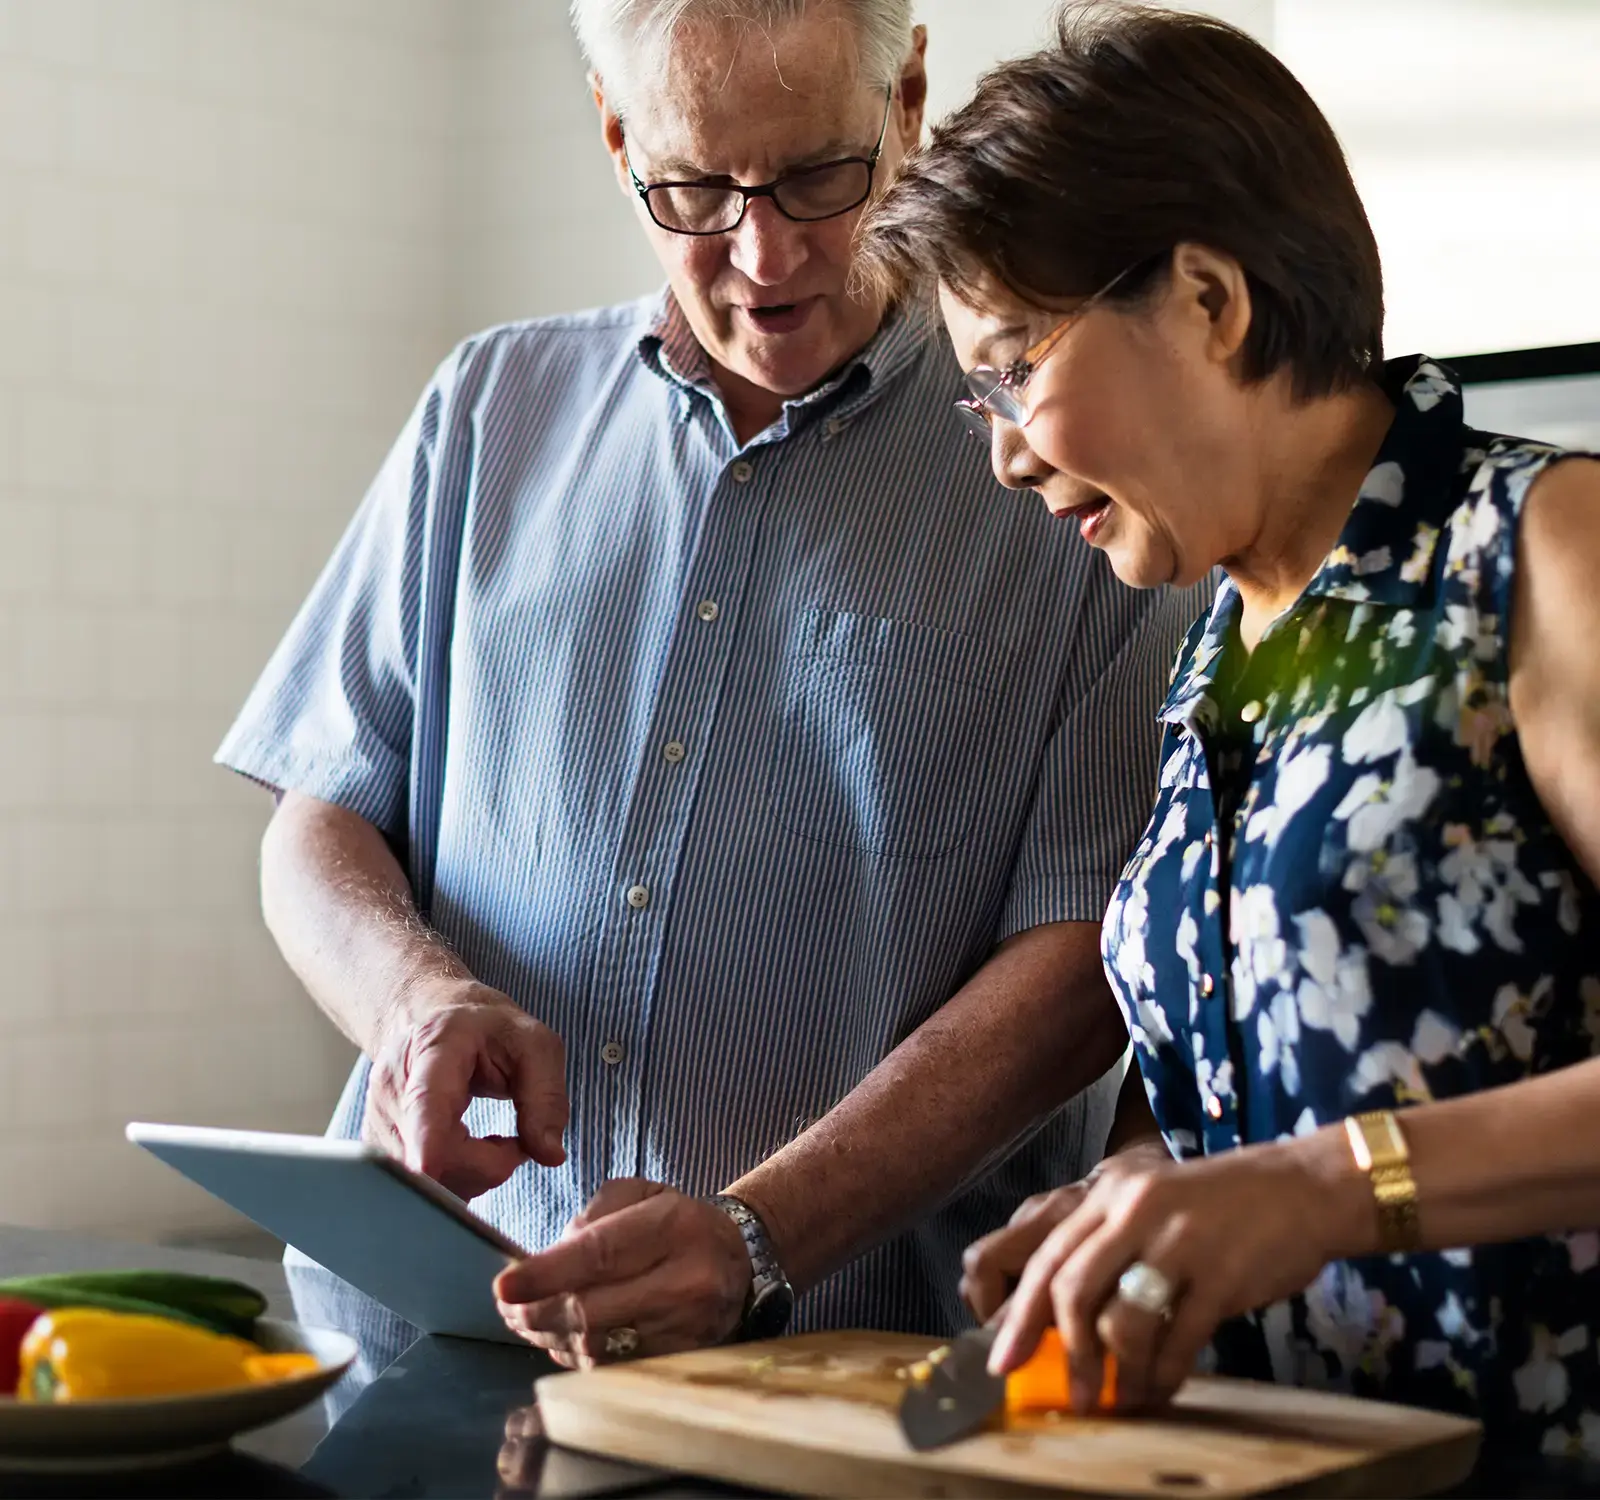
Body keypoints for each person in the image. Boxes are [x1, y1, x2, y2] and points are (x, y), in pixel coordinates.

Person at [217, 0, 1204, 1366]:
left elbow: (1084, 972)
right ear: (618, 138)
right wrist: (414, 1005)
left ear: (908, 102)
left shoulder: (1072, 478)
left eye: (819, 174)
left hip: (834, 1376)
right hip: (424, 1338)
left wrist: (760, 1237)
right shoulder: (488, 405)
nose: (766, 252)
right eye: (694, 188)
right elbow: (317, 819)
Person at [857, 0, 1600, 1458]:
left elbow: (1324, 1156)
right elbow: (1258, 1069)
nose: (1003, 453)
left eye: (1016, 366)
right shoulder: (1224, 636)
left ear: (1209, 298)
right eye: (977, 400)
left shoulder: (1540, 546)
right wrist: (1130, 1206)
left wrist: (1326, 1186)